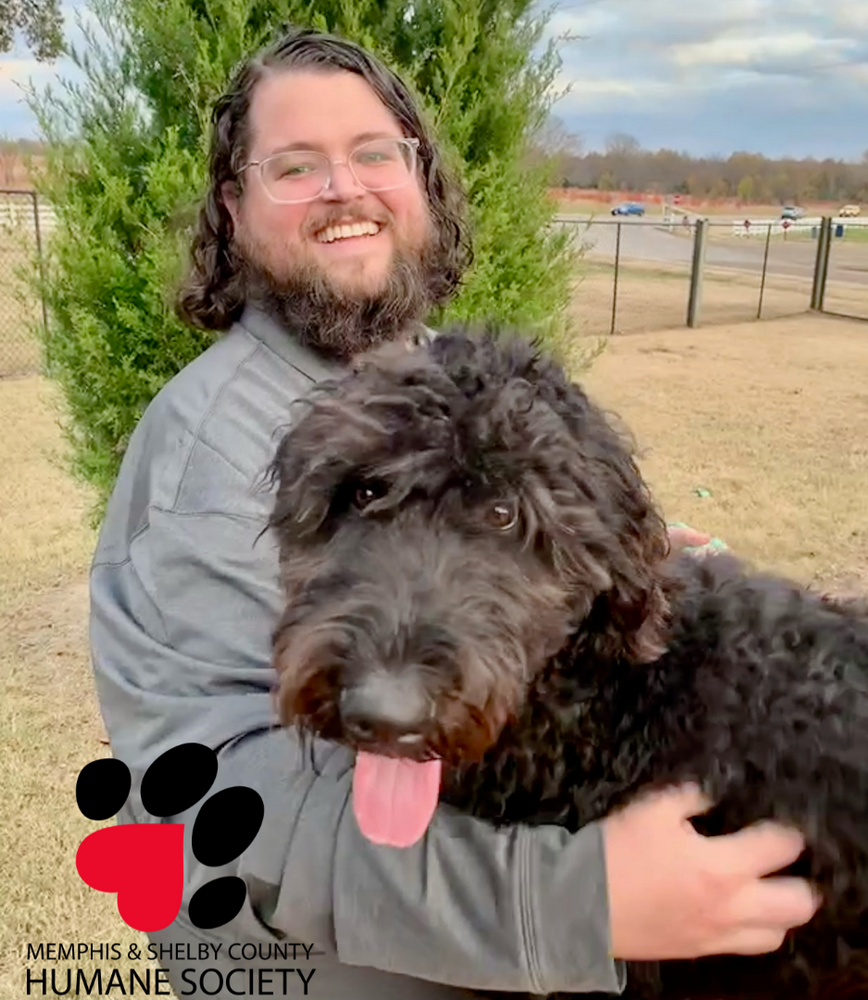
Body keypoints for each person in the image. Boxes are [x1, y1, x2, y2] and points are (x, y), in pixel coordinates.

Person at [89, 26, 819, 1000]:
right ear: (233, 208)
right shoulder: (210, 450)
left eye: (373, 154)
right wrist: (581, 904)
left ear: (421, 180)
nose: (343, 188)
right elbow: (222, 802)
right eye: (294, 166)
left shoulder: (415, 374)